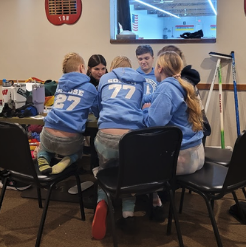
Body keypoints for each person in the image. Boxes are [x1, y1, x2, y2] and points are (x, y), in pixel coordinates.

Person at [91, 56, 146, 240]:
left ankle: (102, 203)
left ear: (112, 68)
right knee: (128, 175)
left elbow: (98, 106)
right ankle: (128, 215)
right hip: (130, 139)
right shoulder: (140, 79)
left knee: (104, 170)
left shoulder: (105, 78)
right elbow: (138, 105)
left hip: (105, 137)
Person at [143, 51, 204, 176]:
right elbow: (155, 96)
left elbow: (154, 123)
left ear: (160, 68)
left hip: (181, 159)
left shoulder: (165, 88)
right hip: (197, 154)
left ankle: (155, 195)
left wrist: (144, 111)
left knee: (137, 158)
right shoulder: (182, 84)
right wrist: (140, 98)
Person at [37, 52, 99, 175]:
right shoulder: (90, 88)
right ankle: (69, 159)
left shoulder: (59, 85)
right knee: (78, 150)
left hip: (47, 134)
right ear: (81, 67)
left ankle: (42, 157)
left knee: (44, 148)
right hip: (69, 142)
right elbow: (97, 110)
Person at [157, 45, 211, 138]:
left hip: (189, 135)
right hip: (196, 132)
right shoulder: (185, 81)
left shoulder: (174, 86)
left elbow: (158, 120)